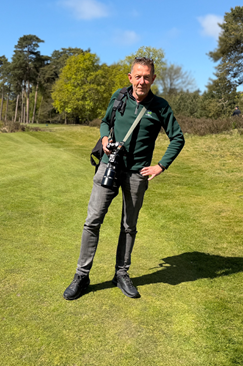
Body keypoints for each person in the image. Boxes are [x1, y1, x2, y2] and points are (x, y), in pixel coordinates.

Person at [63, 58, 185, 301]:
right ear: (130, 78)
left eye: (147, 77)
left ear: (153, 79)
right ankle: (81, 276)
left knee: (129, 226)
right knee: (92, 221)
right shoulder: (118, 96)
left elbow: (178, 138)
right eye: (138, 76)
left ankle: (121, 274)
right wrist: (105, 139)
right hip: (108, 168)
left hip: (137, 175)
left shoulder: (160, 106)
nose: (142, 81)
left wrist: (160, 166)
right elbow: (105, 122)